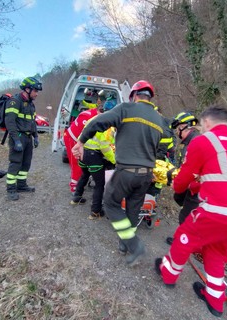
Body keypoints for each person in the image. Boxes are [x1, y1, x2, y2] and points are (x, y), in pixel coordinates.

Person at [155, 105, 227, 317]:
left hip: (223, 210)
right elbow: (220, 178)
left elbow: (185, 177)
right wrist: (197, 186)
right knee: (215, 251)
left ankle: (167, 273)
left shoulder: (205, 141)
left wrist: (177, 187)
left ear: (206, 123)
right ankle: (215, 298)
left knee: (184, 236)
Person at [72, 80, 164, 266]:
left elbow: (98, 121)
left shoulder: (126, 109)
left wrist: (81, 141)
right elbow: (160, 148)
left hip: (126, 171)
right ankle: (124, 245)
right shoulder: (159, 119)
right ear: (149, 98)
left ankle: (134, 244)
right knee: (132, 210)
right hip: (146, 174)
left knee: (111, 203)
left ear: (134, 95)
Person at [71, 98, 117, 219]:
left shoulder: (92, 119)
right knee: (99, 184)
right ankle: (95, 211)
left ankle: (76, 197)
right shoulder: (107, 125)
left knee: (84, 175)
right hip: (94, 156)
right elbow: (105, 147)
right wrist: (114, 160)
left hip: (84, 154)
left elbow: (81, 136)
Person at [165, 111, 200, 245]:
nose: (177, 132)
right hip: (194, 186)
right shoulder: (190, 142)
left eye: (178, 128)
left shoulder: (194, 142)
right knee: (179, 198)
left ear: (184, 127)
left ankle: (181, 241)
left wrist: (176, 182)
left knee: (185, 216)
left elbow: (191, 171)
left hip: (197, 188)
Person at [5, 77, 42, 201]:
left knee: (26, 163)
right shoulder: (15, 101)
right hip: (19, 136)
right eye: (35, 91)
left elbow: (33, 122)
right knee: (16, 162)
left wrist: (35, 136)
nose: (36, 94)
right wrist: (15, 140)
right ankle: (10, 189)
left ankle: (21, 185)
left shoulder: (31, 104)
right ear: (27, 89)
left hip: (28, 138)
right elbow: (10, 122)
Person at [63, 102, 103, 194]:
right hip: (71, 138)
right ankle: (74, 188)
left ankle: (77, 182)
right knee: (76, 163)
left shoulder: (92, 113)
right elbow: (85, 133)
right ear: (99, 111)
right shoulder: (88, 117)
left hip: (76, 138)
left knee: (79, 163)